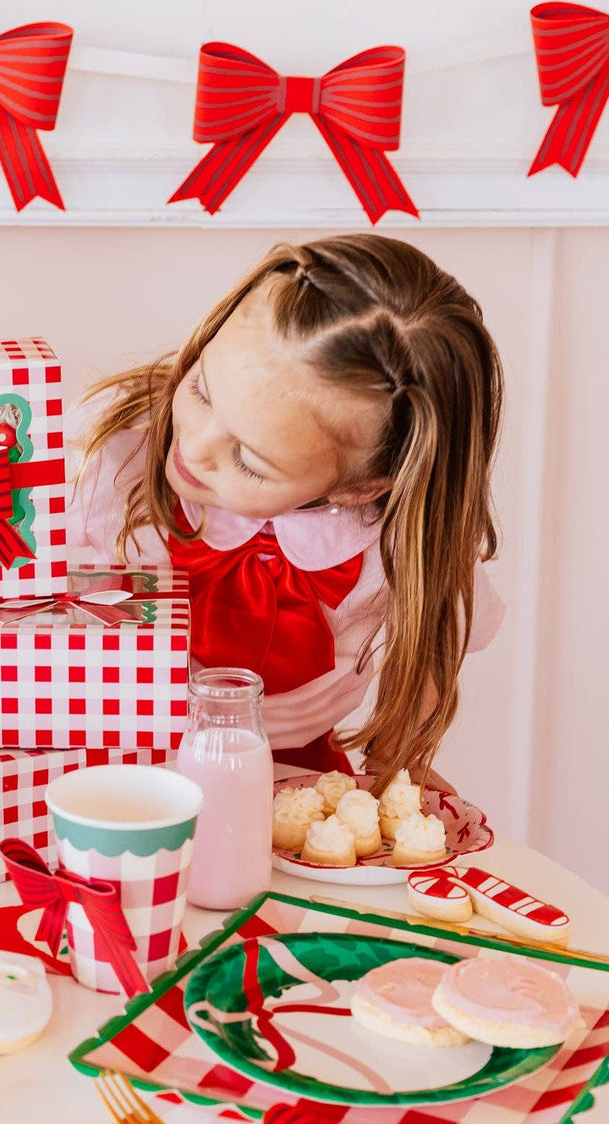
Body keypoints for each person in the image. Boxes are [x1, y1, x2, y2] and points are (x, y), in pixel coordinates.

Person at [69, 234, 504, 791]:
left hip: (288, 773)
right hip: (115, 756)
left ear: (362, 487)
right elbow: (4, 582)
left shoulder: (392, 543)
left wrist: (399, 762)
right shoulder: (118, 456)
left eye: (249, 460)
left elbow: (437, 630)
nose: (195, 446)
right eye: (202, 390)